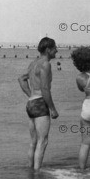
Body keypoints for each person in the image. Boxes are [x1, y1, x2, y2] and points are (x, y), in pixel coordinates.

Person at [18, 37, 59, 170]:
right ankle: (37, 175)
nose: (57, 51)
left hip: (31, 104)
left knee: (33, 142)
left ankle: (31, 172)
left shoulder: (33, 63)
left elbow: (21, 79)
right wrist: (52, 109)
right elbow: (45, 88)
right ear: (48, 49)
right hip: (41, 103)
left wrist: (30, 95)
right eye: (54, 48)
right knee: (43, 141)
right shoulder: (45, 64)